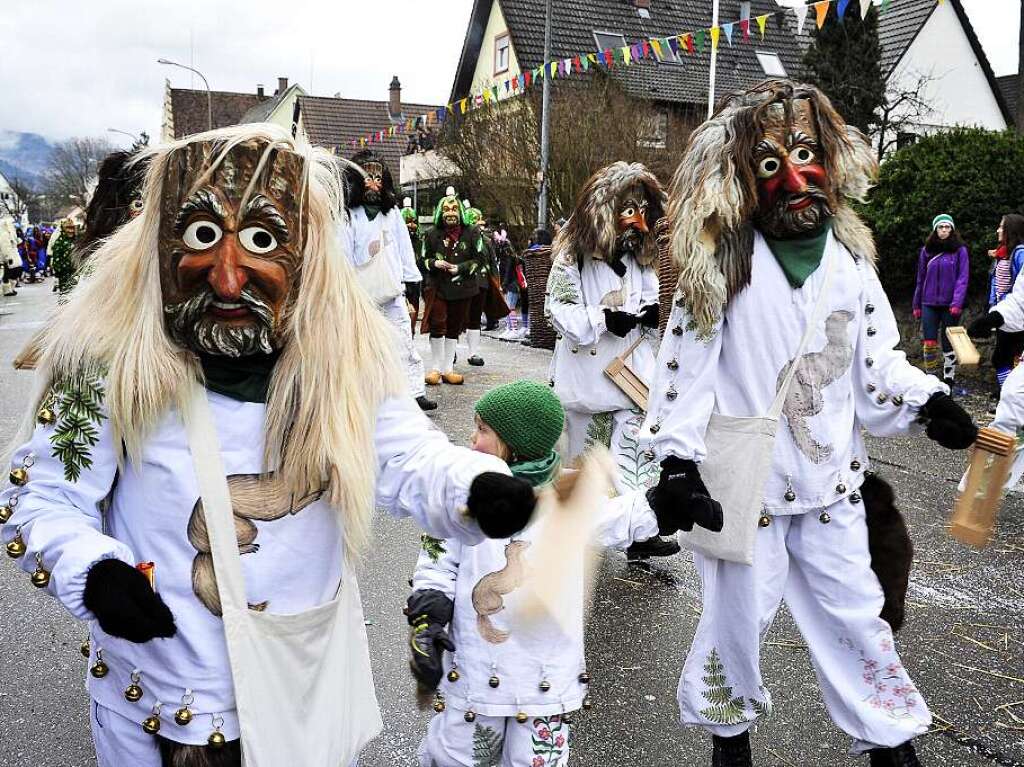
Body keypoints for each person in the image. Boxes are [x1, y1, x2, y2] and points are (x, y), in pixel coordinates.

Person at [0, 125, 538, 767]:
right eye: (202, 237)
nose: (229, 280)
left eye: (260, 241)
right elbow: (43, 499)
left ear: (304, 252)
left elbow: (405, 457)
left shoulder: (340, 361)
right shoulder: (111, 362)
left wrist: (473, 488)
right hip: (156, 699)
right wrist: (94, 572)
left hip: (295, 695)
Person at [643, 80, 977, 767]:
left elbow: (876, 359)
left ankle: (889, 739)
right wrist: (676, 462)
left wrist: (926, 402)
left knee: (858, 617)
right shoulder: (723, 263)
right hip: (748, 495)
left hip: (830, 490)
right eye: (771, 164)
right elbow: (685, 368)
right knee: (735, 625)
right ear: (742, 176)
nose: (794, 177)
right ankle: (729, 741)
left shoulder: (851, 261)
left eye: (804, 154)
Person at [407, 380, 660, 767]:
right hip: (476, 672)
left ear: (515, 444)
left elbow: (622, 517)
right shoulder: (464, 495)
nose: (472, 441)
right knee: (455, 757)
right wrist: (429, 614)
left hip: (545, 680)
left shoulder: (566, 500)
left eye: (483, 431)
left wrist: (667, 503)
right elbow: (438, 560)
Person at [545, 162, 679, 560]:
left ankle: (639, 533)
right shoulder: (573, 257)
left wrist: (654, 316)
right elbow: (558, 309)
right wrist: (603, 319)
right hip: (587, 378)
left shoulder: (644, 258)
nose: (635, 221)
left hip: (632, 375)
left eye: (641, 210)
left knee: (637, 455)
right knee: (586, 464)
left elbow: (657, 298)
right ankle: (574, 534)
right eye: (626, 210)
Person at [342, 150, 436, 411]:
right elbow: (343, 252)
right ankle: (362, 392)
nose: (373, 183)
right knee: (359, 343)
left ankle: (414, 391)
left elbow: (404, 247)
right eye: (367, 177)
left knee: (404, 341)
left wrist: (410, 280)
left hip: (392, 290)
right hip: (360, 293)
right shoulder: (348, 215)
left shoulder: (392, 213)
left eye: (378, 177)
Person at [420, 187, 488, 385]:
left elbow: (480, 258)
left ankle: (448, 368)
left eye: (454, 209)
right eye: (447, 209)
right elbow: (422, 259)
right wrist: (434, 263)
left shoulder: (472, 232)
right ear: (441, 212)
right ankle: (435, 368)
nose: (451, 213)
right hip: (438, 286)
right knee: (438, 323)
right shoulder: (432, 234)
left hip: (463, 288)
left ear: (460, 211)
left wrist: (460, 269)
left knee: (454, 328)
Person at [911, 214, 968, 388]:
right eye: (940, 227)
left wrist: (957, 302)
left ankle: (949, 378)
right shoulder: (926, 250)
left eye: (947, 227)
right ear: (935, 230)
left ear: (952, 229)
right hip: (928, 303)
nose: (944, 230)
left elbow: (963, 278)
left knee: (948, 342)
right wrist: (916, 304)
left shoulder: (960, 250)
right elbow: (920, 278)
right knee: (929, 342)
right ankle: (931, 379)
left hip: (950, 305)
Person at [985, 214, 1024, 394]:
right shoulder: (1004, 252)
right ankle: (1007, 396)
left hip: (1016, 314)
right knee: (1003, 358)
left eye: (1001, 227)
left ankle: (1011, 397)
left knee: (1007, 359)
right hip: (1003, 314)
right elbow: (996, 283)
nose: (998, 230)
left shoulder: (1020, 253)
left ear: (1011, 230)